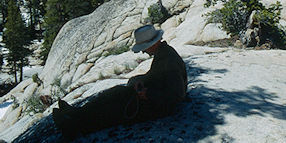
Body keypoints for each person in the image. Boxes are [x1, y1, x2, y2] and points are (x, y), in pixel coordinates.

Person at [52, 24, 187, 140]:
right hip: (155, 100)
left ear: (153, 44)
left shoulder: (168, 60)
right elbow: (158, 77)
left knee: (114, 107)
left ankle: (74, 124)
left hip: (159, 107)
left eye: (144, 47)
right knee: (117, 92)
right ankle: (76, 113)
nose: (144, 51)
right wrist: (140, 81)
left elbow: (177, 95)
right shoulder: (164, 53)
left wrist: (149, 94)